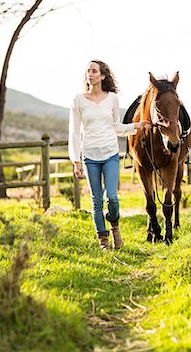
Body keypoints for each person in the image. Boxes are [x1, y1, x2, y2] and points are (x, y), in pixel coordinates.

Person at [68, 59, 150, 251]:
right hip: (89, 156)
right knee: (96, 200)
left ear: (103, 76)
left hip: (110, 153)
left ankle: (115, 227)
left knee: (111, 197)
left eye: (94, 71)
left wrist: (136, 126)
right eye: (88, 71)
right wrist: (76, 160)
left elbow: (115, 126)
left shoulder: (112, 98)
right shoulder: (78, 100)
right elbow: (74, 131)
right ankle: (103, 241)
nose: (90, 74)